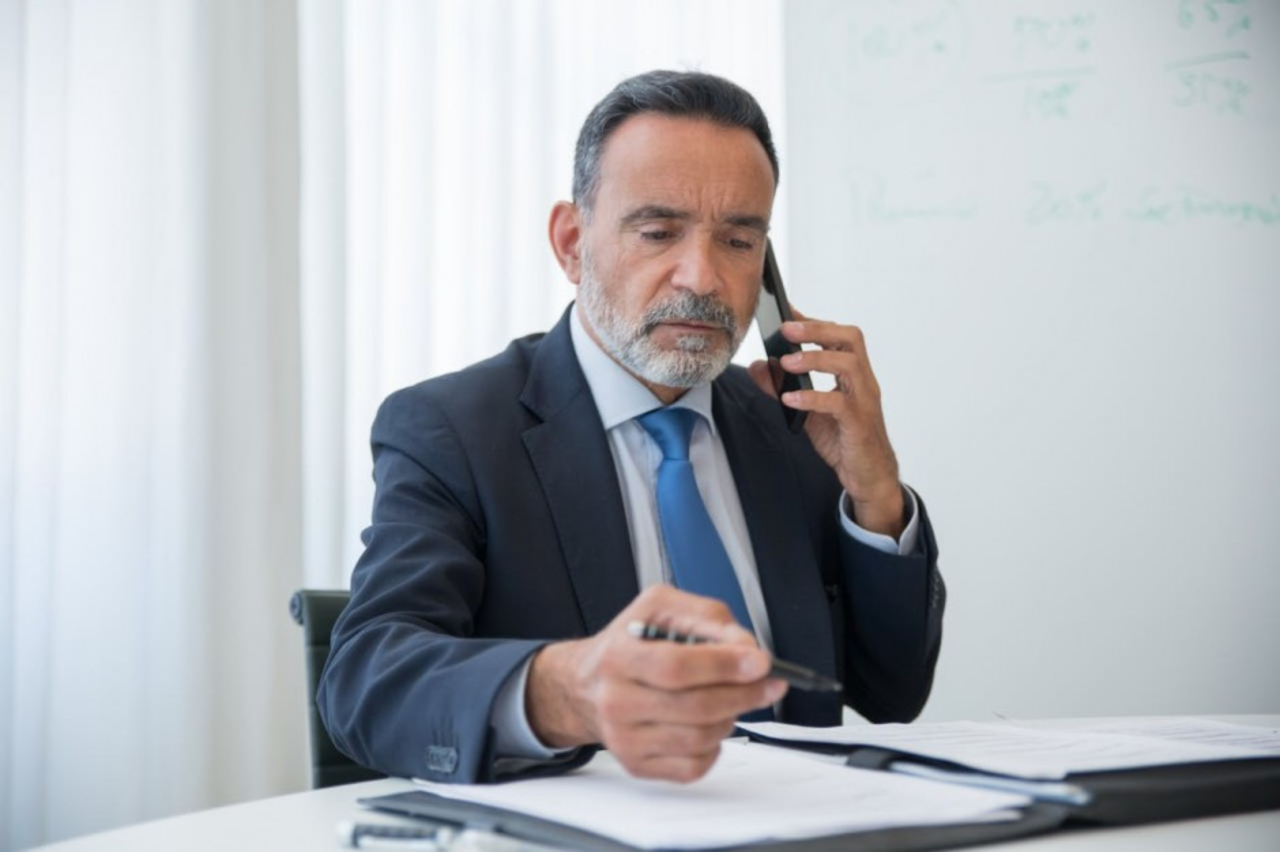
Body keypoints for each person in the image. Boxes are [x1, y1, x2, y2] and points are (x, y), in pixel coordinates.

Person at [317, 70, 944, 786]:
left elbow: (892, 695)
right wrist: (567, 691)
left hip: (803, 820)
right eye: (658, 232)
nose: (701, 277)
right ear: (571, 243)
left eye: (739, 241)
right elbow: (366, 682)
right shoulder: (452, 431)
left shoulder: (794, 426)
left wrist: (876, 495)